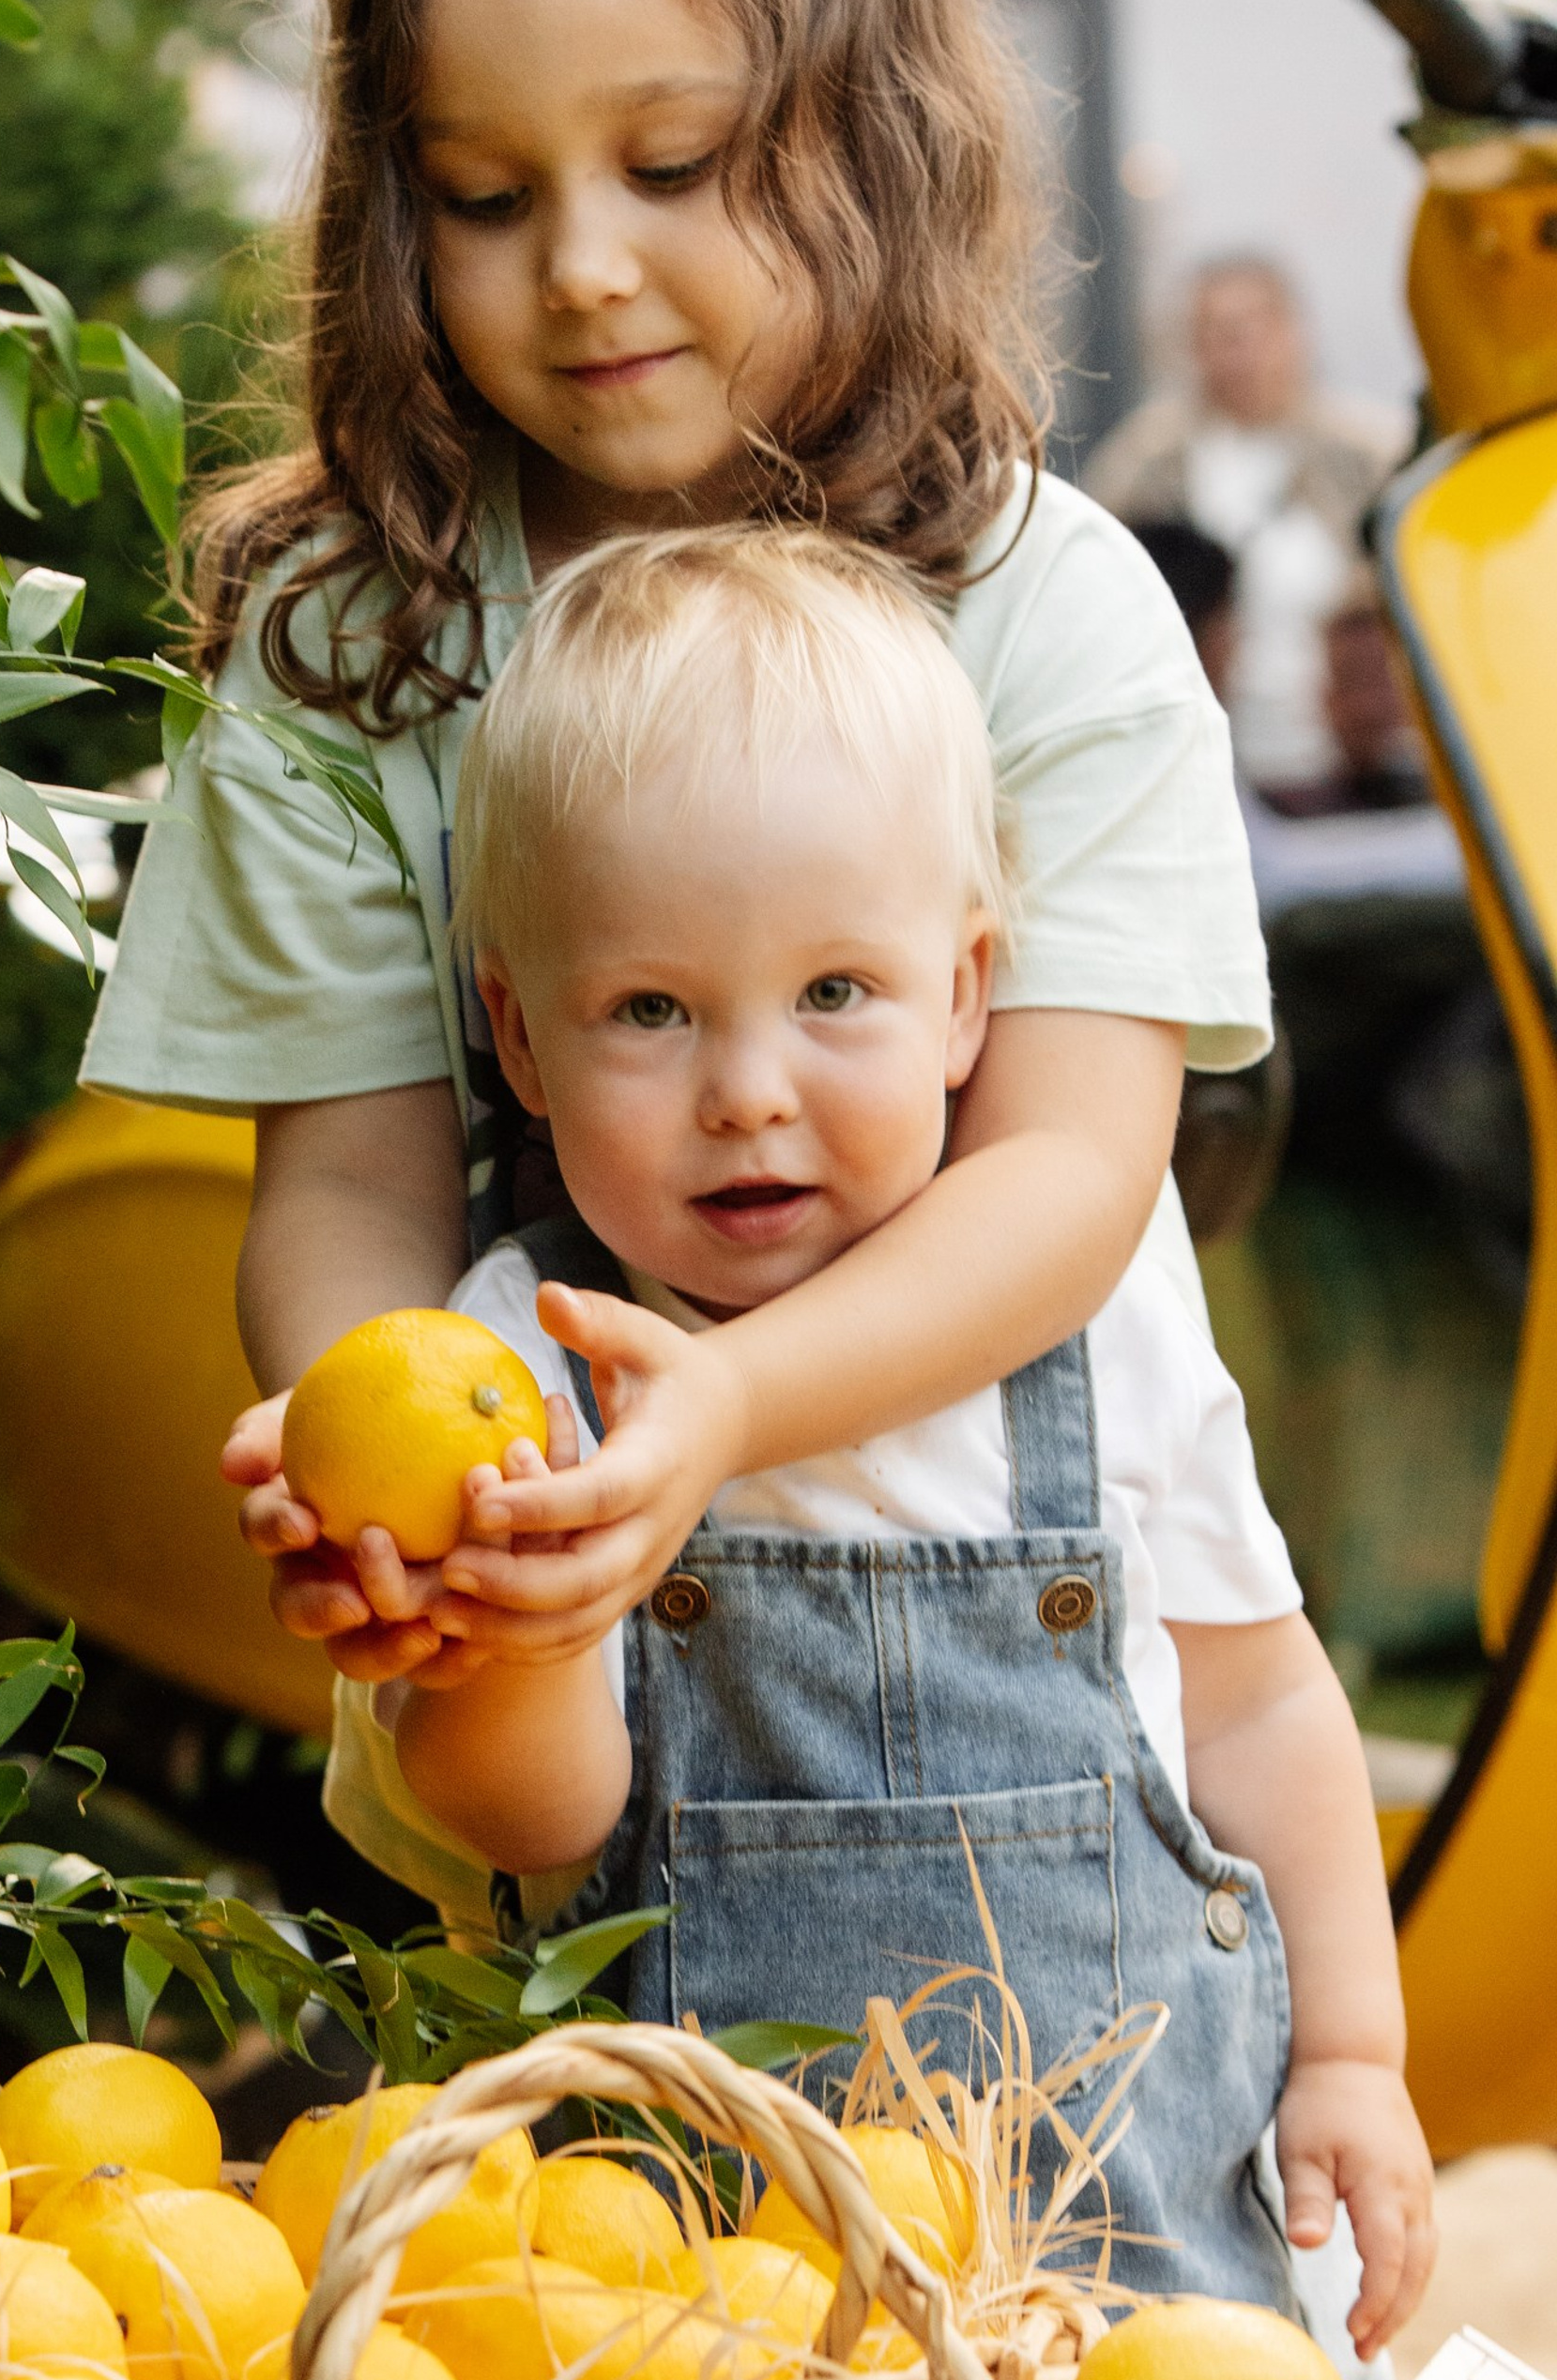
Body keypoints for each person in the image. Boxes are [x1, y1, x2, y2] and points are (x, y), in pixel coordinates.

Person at [85, 0, 1270, 1735]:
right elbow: (350, 1190)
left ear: (871, 142)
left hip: (1027, 1633)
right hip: (551, 1677)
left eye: (672, 165)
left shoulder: (1045, 608)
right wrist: (386, 1464)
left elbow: (1069, 1174)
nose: (578, 266)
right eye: (485, 197)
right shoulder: (348, 646)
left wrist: (717, 1403)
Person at [321, 526, 1433, 2356]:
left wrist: (1354, 2052)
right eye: (649, 1009)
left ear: (966, 995)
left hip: (1134, 2294)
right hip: (709, 2311)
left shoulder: (1088, 1311)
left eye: (833, 992)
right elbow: (535, 1824)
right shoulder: (519, 1368)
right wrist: (524, 1620)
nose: (746, 1084)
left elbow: (1253, 1703)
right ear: (516, 1039)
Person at [1087, 258, 1402, 799]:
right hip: (1203, 777)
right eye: (1216, 334)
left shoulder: (1370, 458)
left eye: (1251, 330)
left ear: (1293, 333)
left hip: (1349, 775)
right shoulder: (1142, 466)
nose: (1237, 353)